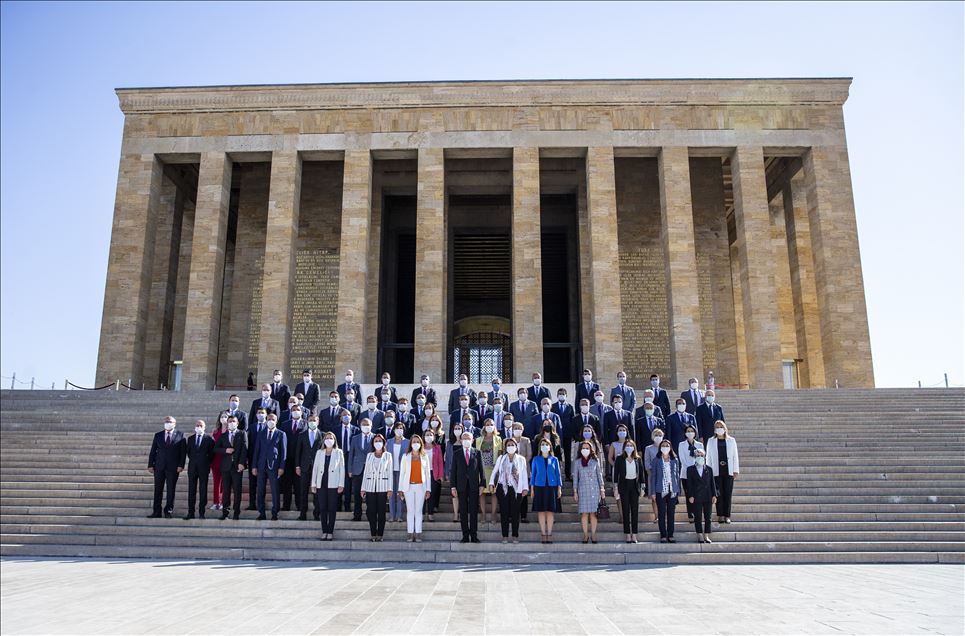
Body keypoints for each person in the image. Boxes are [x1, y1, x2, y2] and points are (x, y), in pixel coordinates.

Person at [489, 437, 529, 544]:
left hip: (517, 489)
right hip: (503, 488)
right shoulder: (501, 458)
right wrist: (491, 483)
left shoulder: (521, 459)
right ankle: (505, 536)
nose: (510, 447)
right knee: (504, 513)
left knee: (516, 513)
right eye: (508, 445)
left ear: (516, 447)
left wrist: (525, 487)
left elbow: (524, 473)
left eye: (512, 445)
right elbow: (495, 471)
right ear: (505, 447)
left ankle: (515, 535)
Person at [147, 416, 186, 519]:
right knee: (158, 489)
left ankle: (168, 510)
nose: (168, 423)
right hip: (159, 466)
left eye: (170, 421)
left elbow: (183, 453)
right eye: (166, 421)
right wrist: (150, 464)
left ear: (175, 423)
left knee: (171, 490)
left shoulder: (180, 435)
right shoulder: (158, 435)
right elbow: (153, 451)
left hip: (173, 467)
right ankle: (156, 511)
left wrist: (181, 465)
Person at [450, 430, 485, 543]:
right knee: (463, 512)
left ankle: (474, 535)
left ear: (472, 440)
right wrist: (453, 486)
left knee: (474, 511)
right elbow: (453, 471)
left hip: (474, 486)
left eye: (468, 438)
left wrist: (482, 484)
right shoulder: (457, 453)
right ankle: (465, 535)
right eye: (464, 438)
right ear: (460, 440)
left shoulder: (477, 452)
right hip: (461, 486)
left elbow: (482, 470)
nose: (466, 440)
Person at [311, 431, 345, 541]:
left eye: (331, 438)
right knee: (323, 508)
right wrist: (313, 484)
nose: (329, 440)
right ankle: (324, 531)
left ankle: (330, 531)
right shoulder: (319, 452)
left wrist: (341, 484)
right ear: (324, 440)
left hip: (334, 484)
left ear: (334, 440)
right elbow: (315, 469)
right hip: (321, 484)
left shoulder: (338, 452)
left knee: (332, 508)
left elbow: (342, 469)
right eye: (327, 438)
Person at [253, 413, 286, 521]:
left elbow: (283, 452)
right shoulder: (261, 433)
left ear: (276, 421)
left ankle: (275, 513)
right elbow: (256, 451)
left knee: (275, 490)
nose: (270, 421)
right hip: (261, 466)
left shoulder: (281, 434)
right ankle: (261, 513)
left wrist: (282, 467)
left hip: (275, 466)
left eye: (273, 419)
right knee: (261, 490)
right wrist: (254, 466)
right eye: (269, 419)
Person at [705, 420, 739, 524]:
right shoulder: (711, 441)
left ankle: (727, 515)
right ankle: (720, 515)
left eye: (721, 426)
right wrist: (708, 471)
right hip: (716, 471)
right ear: (714, 429)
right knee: (718, 494)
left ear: (725, 428)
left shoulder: (731, 440)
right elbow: (708, 457)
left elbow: (735, 456)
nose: (719, 429)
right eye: (717, 427)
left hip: (728, 470)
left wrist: (735, 470)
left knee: (728, 493)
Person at [398, 434, 432, 542]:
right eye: (414, 442)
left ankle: (417, 533)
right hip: (408, 486)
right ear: (410, 444)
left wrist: (428, 489)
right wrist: (400, 489)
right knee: (410, 511)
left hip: (421, 486)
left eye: (418, 442)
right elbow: (402, 473)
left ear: (421, 444)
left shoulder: (424, 456)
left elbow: (427, 474)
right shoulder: (405, 456)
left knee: (418, 511)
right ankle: (410, 533)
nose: (415, 444)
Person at [361, 434, 393, 541]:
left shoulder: (388, 455)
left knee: (381, 512)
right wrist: (363, 488)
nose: (378, 442)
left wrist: (390, 488)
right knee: (371, 511)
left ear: (383, 442)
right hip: (370, 487)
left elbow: (389, 473)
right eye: (376, 441)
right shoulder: (369, 455)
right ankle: (373, 534)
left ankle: (380, 534)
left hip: (383, 487)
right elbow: (366, 472)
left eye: (380, 440)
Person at [530, 437, 563, 543]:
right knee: (541, 511)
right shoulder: (536, 459)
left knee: (550, 511)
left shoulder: (554, 459)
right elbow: (533, 474)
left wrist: (559, 488)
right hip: (539, 486)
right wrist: (532, 489)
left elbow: (558, 474)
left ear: (550, 447)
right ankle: (543, 534)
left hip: (552, 487)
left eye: (546, 444)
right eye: (543, 444)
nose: (544, 446)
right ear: (540, 447)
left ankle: (549, 533)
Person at [573, 441, 606, 544]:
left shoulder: (595, 461)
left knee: (593, 514)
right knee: (584, 514)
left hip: (594, 490)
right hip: (582, 489)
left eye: (587, 448)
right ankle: (585, 535)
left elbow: (599, 475)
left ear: (591, 450)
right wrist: (575, 491)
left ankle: (594, 534)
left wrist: (602, 489)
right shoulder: (577, 462)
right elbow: (575, 478)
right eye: (583, 448)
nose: (585, 450)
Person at [649, 439, 682, 543]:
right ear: (660, 447)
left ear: (670, 447)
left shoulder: (675, 459)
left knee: (671, 513)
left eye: (667, 445)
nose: (665, 447)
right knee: (662, 513)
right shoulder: (656, 460)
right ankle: (663, 535)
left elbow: (677, 475)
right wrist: (653, 492)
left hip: (672, 490)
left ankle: (670, 534)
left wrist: (678, 490)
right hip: (660, 490)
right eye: (663, 445)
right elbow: (653, 477)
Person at [215, 415, 246, 520]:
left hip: (237, 466)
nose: (231, 423)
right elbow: (215, 448)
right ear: (227, 423)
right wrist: (225, 450)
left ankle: (236, 512)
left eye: (233, 421)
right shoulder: (223, 435)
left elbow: (244, 449)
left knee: (237, 490)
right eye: (230, 421)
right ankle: (225, 513)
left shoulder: (242, 434)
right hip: (225, 467)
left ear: (237, 423)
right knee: (226, 491)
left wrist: (242, 463)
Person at [613, 439, 645, 543]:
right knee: (625, 511)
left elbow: (641, 475)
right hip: (624, 486)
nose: (629, 447)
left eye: (631, 445)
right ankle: (627, 534)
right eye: (627, 445)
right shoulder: (619, 459)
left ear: (634, 447)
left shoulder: (638, 459)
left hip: (634, 487)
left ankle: (634, 535)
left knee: (634, 511)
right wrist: (616, 488)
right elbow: (616, 475)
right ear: (624, 447)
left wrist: (643, 488)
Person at [184, 419, 215, 520]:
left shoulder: (209, 439)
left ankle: (202, 512)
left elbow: (212, 454)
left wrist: (204, 461)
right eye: (197, 425)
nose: (199, 427)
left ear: (204, 427)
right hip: (192, 467)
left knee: (203, 490)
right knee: (191, 490)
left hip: (204, 468)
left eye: (201, 425)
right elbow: (188, 452)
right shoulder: (191, 439)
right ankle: (191, 512)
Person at [295, 415, 324, 520]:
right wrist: (297, 466)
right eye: (310, 420)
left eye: (314, 420)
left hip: (318, 468)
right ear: (307, 421)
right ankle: (303, 514)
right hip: (304, 467)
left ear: (318, 421)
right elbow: (298, 451)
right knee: (303, 491)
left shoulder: (322, 435)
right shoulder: (302, 435)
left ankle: (317, 514)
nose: (312, 422)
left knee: (317, 492)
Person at [686, 448, 718, 543]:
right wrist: (690, 495)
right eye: (698, 455)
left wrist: (714, 495)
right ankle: (699, 534)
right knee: (698, 516)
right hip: (696, 496)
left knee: (708, 517)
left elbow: (712, 483)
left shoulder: (709, 469)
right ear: (695, 457)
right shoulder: (690, 469)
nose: (700, 457)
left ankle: (706, 535)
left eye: (702, 455)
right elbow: (689, 484)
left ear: (704, 456)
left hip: (707, 495)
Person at [475, 419, 502, 525]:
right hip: (482, 469)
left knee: (494, 492)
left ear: (494, 426)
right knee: (482, 492)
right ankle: (483, 513)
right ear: (484, 427)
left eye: (491, 424)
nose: (489, 426)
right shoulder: (478, 440)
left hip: (494, 469)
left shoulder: (499, 439)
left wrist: (499, 469)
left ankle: (494, 513)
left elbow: (500, 454)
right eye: (487, 424)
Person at [347, 417, 374, 521]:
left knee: (369, 494)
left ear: (371, 426)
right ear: (360, 426)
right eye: (363, 424)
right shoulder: (355, 438)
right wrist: (350, 469)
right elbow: (351, 455)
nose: (365, 426)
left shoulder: (375, 438)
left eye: (367, 424)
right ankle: (357, 515)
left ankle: (369, 514)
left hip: (370, 470)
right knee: (357, 494)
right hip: (357, 470)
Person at [677, 424, 705, 521]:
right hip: (686, 473)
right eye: (688, 431)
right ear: (685, 433)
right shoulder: (681, 444)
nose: (690, 433)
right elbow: (682, 459)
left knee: (698, 494)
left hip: (698, 473)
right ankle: (690, 514)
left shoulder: (699, 445)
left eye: (692, 431)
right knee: (689, 494)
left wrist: (695, 468)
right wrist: (690, 469)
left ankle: (698, 513)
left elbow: (701, 458)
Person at [507, 418, 532, 524]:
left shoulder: (526, 440)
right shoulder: (508, 440)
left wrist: (520, 465)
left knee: (523, 494)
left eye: (519, 428)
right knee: (511, 494)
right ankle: (511, 515)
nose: (517, 430)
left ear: (522, 429)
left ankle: (523, 516)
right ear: (512, 429)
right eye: (515, 428)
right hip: (511, 471)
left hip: (524, 470)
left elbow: (529, 454)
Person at [386, 421, 410, 523]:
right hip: (391, 471)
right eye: (397, 428)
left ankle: (399, 515)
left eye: (401, 428)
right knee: (391, 494)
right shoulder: (389, 441)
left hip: (402, 471)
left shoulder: (408, 442)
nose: (399, 430)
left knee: (400, 493)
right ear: (394, 430)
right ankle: (392, 515)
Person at [335, 410, 359, 511]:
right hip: (339, 457)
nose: (346, 416)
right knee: (338, 481)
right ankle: (338, 506)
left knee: (348, 483)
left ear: (351, 417)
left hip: (351, 457)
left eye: (348, 415)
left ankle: (348, 506)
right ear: (340, 417)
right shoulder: (335, 429)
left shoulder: (356, 430)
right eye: (344, 415)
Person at [643, 428, 665, 524]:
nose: (658, 437)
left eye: (660, 435)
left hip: (665, 476)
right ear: (652, 437)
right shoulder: (648, 448)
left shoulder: (666, 447)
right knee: (654, 498)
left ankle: (664, 516)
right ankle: (656, 516)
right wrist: (651, 474)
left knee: (664, 497)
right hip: (652, 475)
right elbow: (647, 463)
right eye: (656, 435)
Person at [552, 388, 575, 478]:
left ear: (566, 395)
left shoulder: (570, 407)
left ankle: (568, 474)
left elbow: (572, 421)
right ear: (557, 395)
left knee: (567, 455)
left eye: (563, 394)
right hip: (556, 435)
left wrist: (572, 434)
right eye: (560, 393)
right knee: (556, 454)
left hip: (567, 435)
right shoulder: (553, 406)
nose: (561, 395)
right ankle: (556, 474)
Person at [208, 411, 228, 513]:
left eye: (226, 416)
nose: (224, 418)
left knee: (226, 483)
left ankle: (225, 502)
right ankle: (216, 502)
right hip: (216, 460)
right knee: (217, 482)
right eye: (222, 417)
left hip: (227, 460)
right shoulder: (216, 432)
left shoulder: (231, 431)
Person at [423, 428, 444, 521]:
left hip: (433, 473)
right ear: (423, 436)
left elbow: (440, 462)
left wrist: (440, 475)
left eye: (431, 435)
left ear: (434, 436)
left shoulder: (437, 447)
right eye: (427, 435)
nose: (429, 437)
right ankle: (422, 513)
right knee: (422, 493)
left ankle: (430, 513)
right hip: (422, 473)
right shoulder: (420, 447)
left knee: (432, 494)